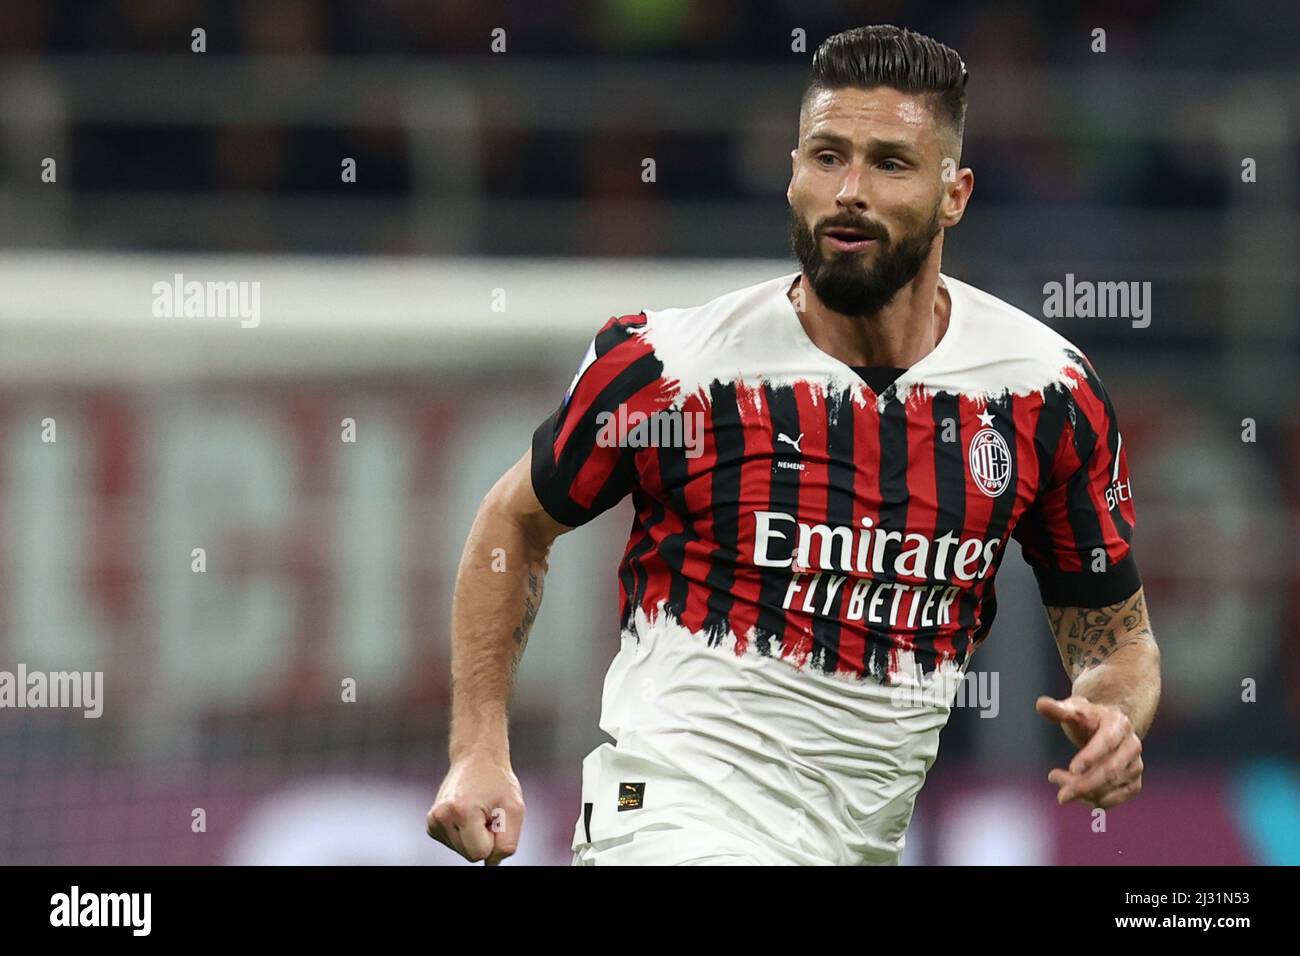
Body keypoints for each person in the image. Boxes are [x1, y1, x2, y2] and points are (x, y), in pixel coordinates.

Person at [426, 24, 1161, 866]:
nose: (849, 190)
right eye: (826, 156)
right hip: (668, 817)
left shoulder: (1041, 394)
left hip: (861, 844)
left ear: (954, 195)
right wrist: (478, 748)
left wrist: (1112, 713)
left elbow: (1113, 637)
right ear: (792, 174)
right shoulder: (674, 368)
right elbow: (513, 524)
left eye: (889, 163)